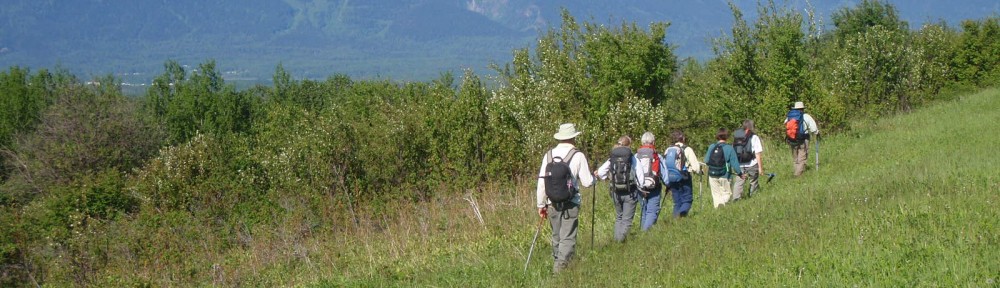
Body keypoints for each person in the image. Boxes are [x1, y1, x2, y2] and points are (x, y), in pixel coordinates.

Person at [536, 123, 594, 273]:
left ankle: (559, 263)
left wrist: (541, 204)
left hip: (552, 202)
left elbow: (542, 183)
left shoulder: (548, 155)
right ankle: (560, 271)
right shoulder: (578, 155)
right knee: (567, 237)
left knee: (557, 236)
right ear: (574, 137)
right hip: (571, 203)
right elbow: (587, 182)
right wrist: (595, 178)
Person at [594, 136, 639, 242]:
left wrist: (608, 179)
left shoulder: (612, 157)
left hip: (616, 191)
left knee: (619, 217)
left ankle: (616, 240)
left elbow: (600, 172)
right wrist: (641, 188)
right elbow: (639, 173)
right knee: (627, 220)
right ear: (629, 145)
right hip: (630, 191)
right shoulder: (631, 157)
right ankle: (620, 242)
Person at [662, 130, 702, 217]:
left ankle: (675, 220)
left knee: (677, 202)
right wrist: (698, 172)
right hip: (684, 177)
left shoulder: (668, 150)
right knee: (687, 200)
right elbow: (696, 167)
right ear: (682, 138)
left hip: (671, 178)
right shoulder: (687, 149)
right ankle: (681, 216)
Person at [703, 128, 742, 208]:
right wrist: (740, 173)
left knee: (716, 194)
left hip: (712, 175)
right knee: (727, 193)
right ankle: (723, 203)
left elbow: (706, 160)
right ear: (726, 137)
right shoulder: (729, 148)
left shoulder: (712, 146)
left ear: (717, 136)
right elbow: (735, 164)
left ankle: (718, 209)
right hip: (725, 175)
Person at [635, 132, 662, 231]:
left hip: (640, 187)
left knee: (644, 210)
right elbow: (663, 171)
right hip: (654, 185)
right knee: (652, 211)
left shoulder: (636, 155)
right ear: (653, 141)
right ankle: (646, 232)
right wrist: (667, 183)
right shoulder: (656, 154)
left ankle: (643, 233)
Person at [784, 101, 819, 176]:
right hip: (803, 138)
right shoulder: (806, 116)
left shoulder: (790, 116)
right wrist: (816, 133)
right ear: (802, 109)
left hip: (792, 139)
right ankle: (797, 175)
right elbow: (813, 129)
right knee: (802, 156)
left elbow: (785, 123)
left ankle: (797, 170)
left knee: (795, 157)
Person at [732, 120, 763, 200]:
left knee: (739, 182)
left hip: (740, 163)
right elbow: (757, 153)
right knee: (753, 181)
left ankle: (736, 198)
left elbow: (734, 150)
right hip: (752, 163)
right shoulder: (754, 137)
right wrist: (760, 168)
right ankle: (753, 197)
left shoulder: (737, 136)